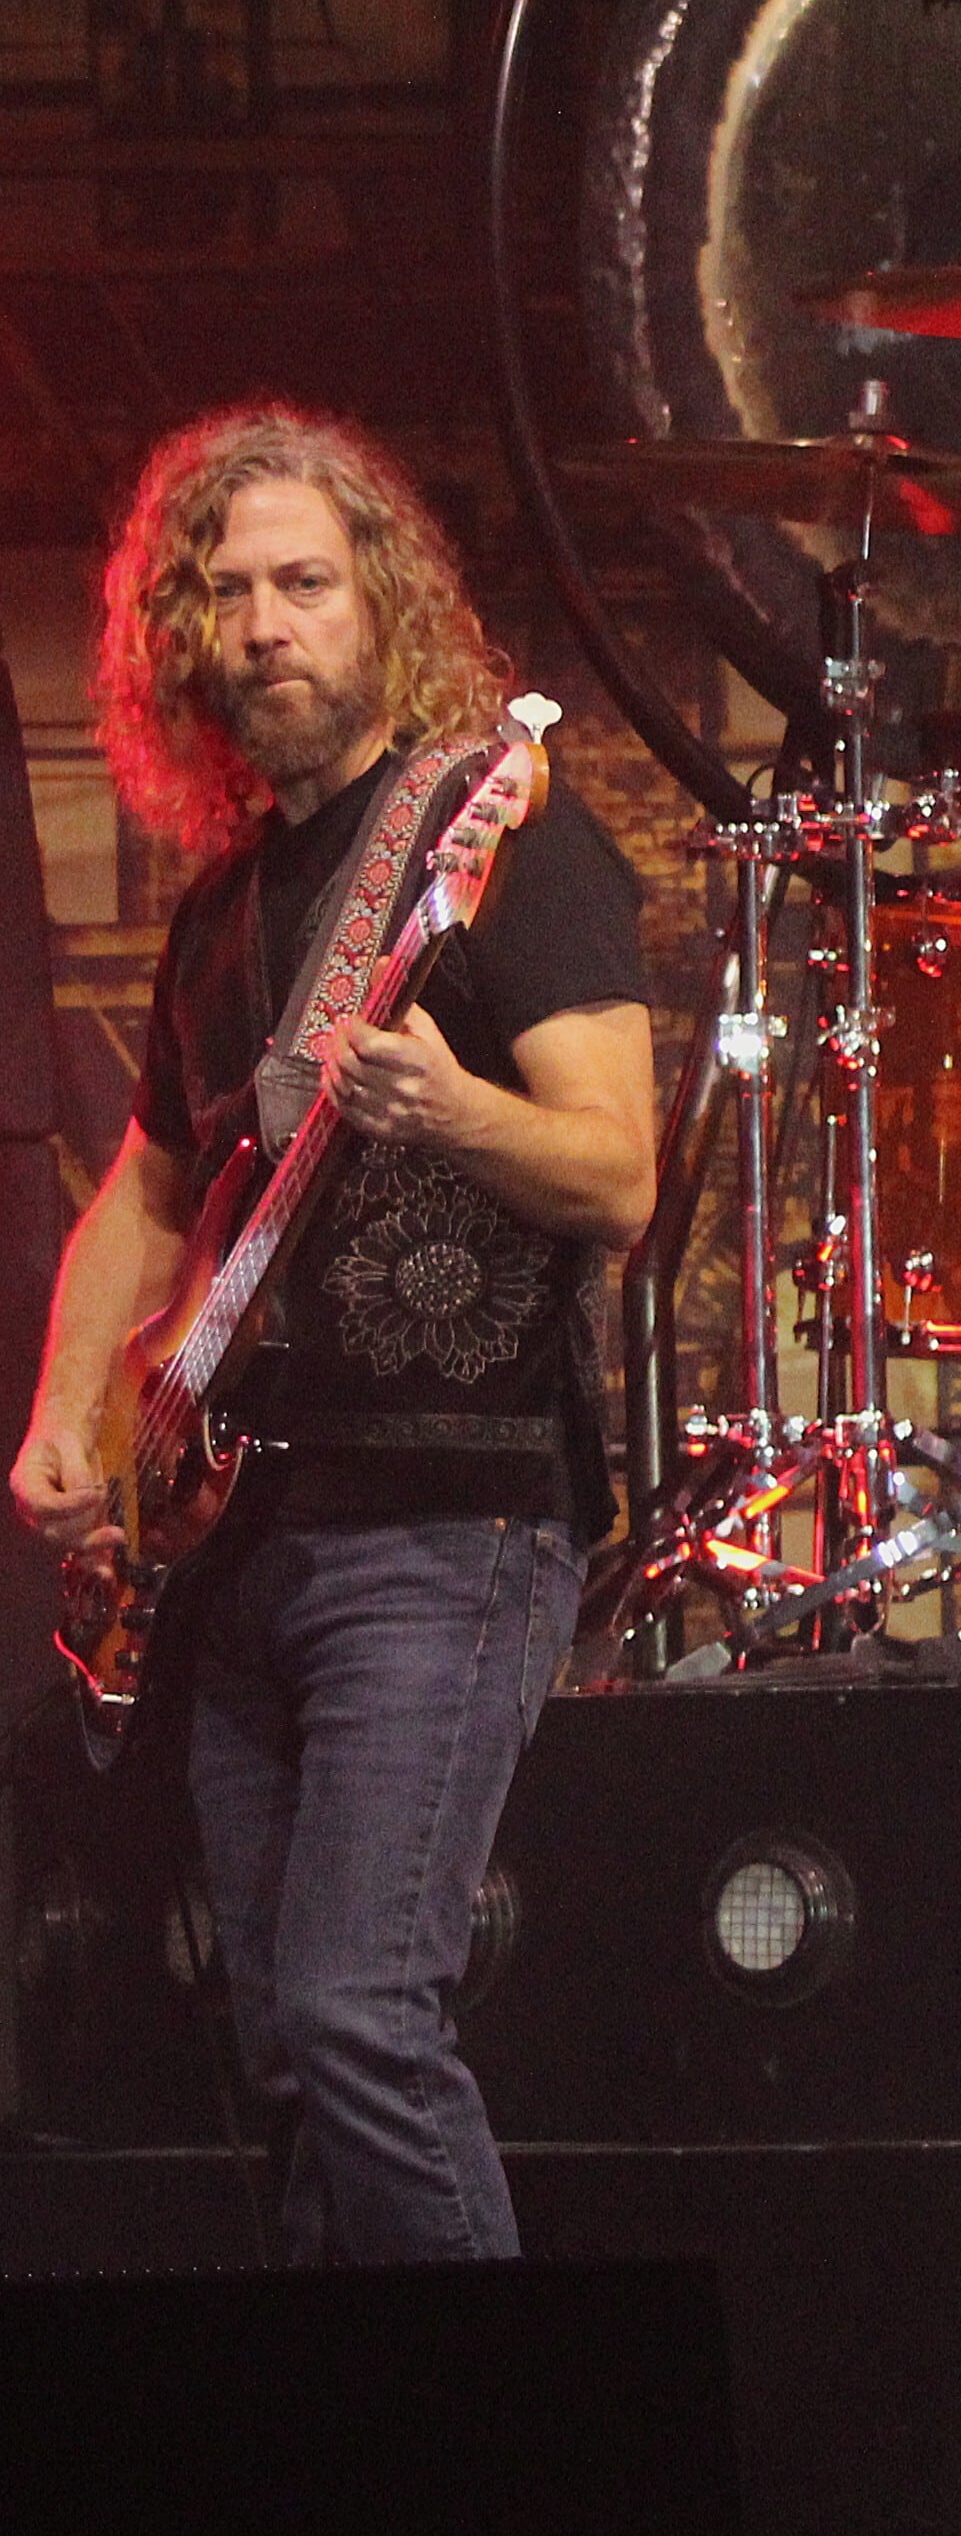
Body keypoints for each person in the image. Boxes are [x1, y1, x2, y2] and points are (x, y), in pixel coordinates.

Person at [11, 404, 656, 2264]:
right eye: (227, 593)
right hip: (238, 1552)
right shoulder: (220, 910)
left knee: (363, 2015)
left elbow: (615, 1176)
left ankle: (527, 2510)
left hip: (443, 1534)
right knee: (283, 2057)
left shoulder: (495, 843)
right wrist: (71, 1414)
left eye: (305, 581)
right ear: (182, 638)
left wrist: (449, 1108)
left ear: (383, 605)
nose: (268, 622)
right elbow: (145, 1191)